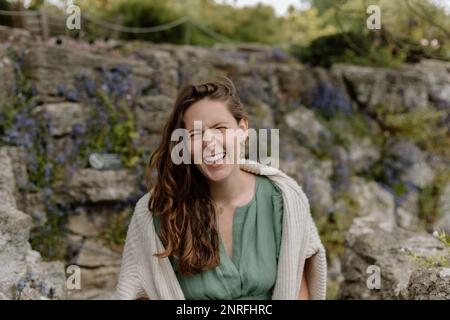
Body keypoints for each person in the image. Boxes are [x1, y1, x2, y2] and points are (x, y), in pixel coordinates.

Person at [115, 76, 327, 300]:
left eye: (220, 128)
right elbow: (138, 293)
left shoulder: (283, 200)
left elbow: (298, 289)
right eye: (195, 134)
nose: (209, 141)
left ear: (243, 128)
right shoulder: (157, 210)